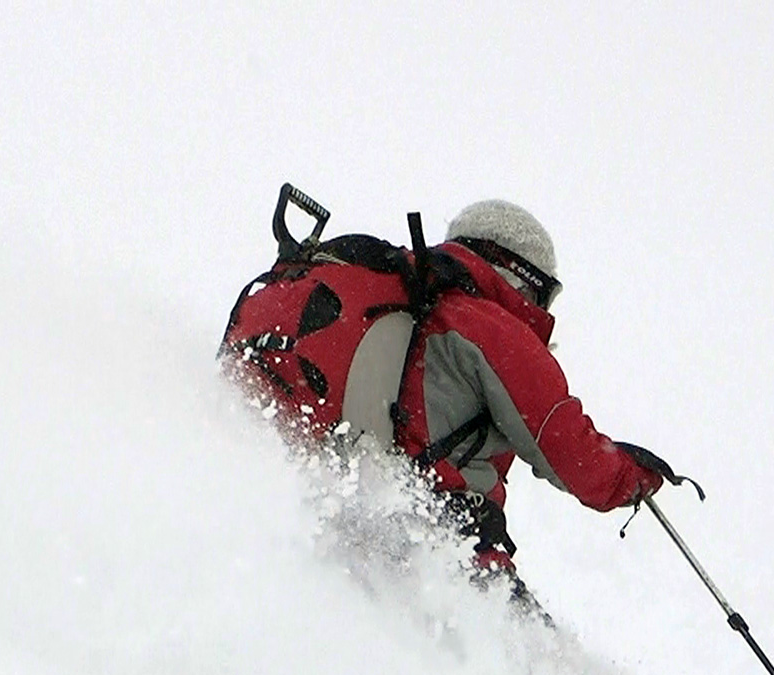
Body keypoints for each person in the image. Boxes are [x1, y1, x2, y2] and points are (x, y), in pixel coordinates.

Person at [223, 194, 680, 622]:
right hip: (448, 546)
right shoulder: (489, 326)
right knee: (538, 671)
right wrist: (632, 477)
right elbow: (568, 449)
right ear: (521, 277)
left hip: (346, 511)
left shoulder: (414, 304)